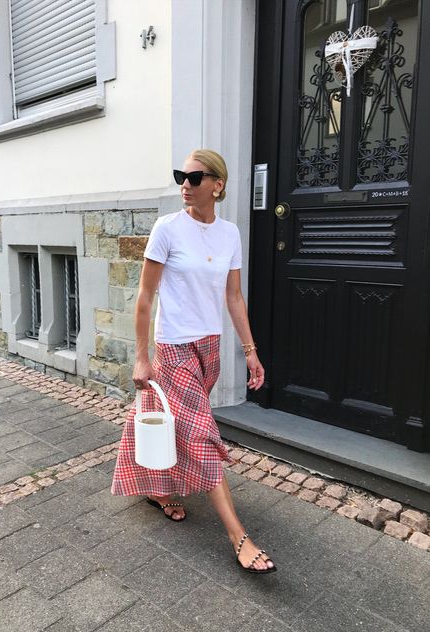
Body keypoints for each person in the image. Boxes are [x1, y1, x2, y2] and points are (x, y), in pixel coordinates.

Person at [111, 149, 276, 574]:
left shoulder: (230, 235)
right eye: (180, 175)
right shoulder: (167, 229)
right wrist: (143, 357)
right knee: (201, 433)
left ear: (217, 184)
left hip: (209, 348)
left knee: (165, 419)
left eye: (195, 176)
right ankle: (238, 536)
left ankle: (156, 488)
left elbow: (233, 297)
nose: (185, 182)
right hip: (174, 346)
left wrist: (251, 351)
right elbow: (146, 297)